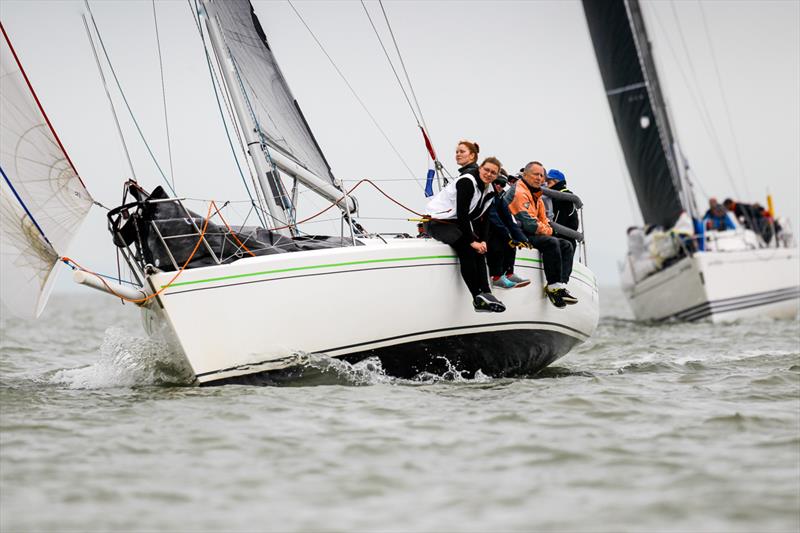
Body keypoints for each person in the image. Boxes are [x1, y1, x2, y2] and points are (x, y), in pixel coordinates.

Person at [424, 142, 505, 313]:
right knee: (466, 248)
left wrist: (482, 240)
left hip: (454, 223)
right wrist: (471, 241)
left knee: (479, 250)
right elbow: (462, 214)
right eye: (486, 170)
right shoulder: (467, 182)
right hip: (437, 222)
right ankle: (477, 296)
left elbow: (485, 220)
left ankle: (487, 293)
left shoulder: (489, 190)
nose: (489, 174)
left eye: (493, 173)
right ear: (480, 167)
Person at [507, 161, 577, 308]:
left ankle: (560, 285)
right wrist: (549, 231)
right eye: (535, 174)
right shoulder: (520, 192)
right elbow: (529, 223)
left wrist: (548, 230)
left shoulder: (536, 194)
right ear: (525, 175)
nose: (539, 178)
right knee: (551, 242)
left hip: (529, 232)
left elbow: (544, 221)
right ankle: (553, 286)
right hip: (516, 233)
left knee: (566, 245)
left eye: (541, 175)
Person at [486, 171, 530, 289]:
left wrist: (522, 238)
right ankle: (496, 277)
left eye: (502, 184)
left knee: (513, 240)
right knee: (500, 239)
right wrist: (508, 235)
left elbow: (509, 220)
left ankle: (508, 273)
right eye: (496, 183)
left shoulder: (501, 198)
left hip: (493, 229)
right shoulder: (488, 195)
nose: (499, 186)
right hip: (483, 230)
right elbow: (493, 218)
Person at [542, 168, 584, 250]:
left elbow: (558, 221)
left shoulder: (564, 198)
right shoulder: (552, 197)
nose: (546, 183)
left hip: (565, 241)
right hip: (560, 240)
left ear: (557, 181)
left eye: (549, 181)